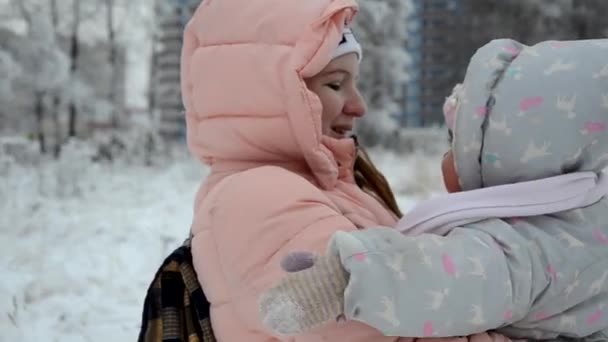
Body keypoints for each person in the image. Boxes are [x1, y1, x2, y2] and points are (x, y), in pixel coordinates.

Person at [181, 0, 512, 341]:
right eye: (336, 85)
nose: (358, 105)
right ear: (264, 95)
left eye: (354, 83)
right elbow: (382, 329)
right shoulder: (259, 201)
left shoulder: (326, 187)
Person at [259, 38, 608, 341]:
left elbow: (454, 278)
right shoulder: (581, 221)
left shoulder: (530, 249)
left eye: (456, 144)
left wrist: (345, 278)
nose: (446, 159)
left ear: (510, 157)